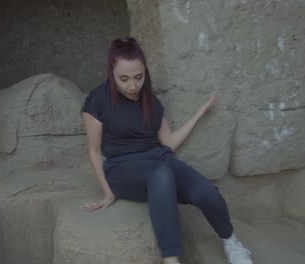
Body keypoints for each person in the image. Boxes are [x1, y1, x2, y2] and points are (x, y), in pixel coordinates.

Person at [81, 37, 253, 264]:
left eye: (138, 77)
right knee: (161, 173)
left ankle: (232, 242)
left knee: (206, 192)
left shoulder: (151, 101)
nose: (132, 86)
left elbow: (168, 143)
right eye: (123, 79)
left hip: (159, 160)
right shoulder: (97, 100)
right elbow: (93, 151)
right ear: (111, 73)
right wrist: (108, 192)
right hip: (122, 168)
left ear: (145, 72)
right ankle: (171, 260)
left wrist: (199, 114)